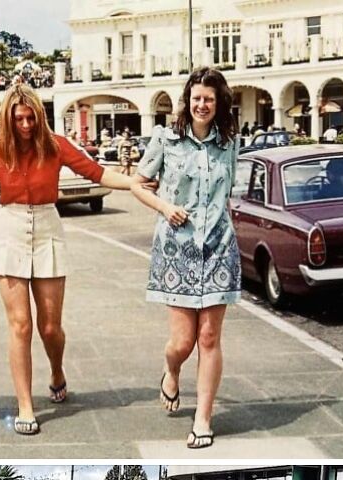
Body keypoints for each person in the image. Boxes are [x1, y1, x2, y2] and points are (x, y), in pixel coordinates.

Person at [0, 85, 136, 436]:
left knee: (49, 327)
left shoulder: (55, 145)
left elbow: (96, 173)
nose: (25, 125)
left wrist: (135, 183)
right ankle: (25, 404)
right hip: (10, 229)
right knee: (20, 325)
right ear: (7, 120)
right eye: (18, 119)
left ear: (39, 116)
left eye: (30, 118)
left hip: (48, 228)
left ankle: (57, 370)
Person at [131, 67, 240, 450]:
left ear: (219, 103)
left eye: (209, 98)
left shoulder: (229, 143)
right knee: (182, 341)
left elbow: (228, 193)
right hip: (176, 250)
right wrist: (165, 207)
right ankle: (172, 370)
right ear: (187, 100)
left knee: (209, 337)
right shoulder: (166, 138)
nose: (202, 104)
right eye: (197, 98)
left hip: (218, 249)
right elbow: (138, 185)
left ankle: (203, 419)